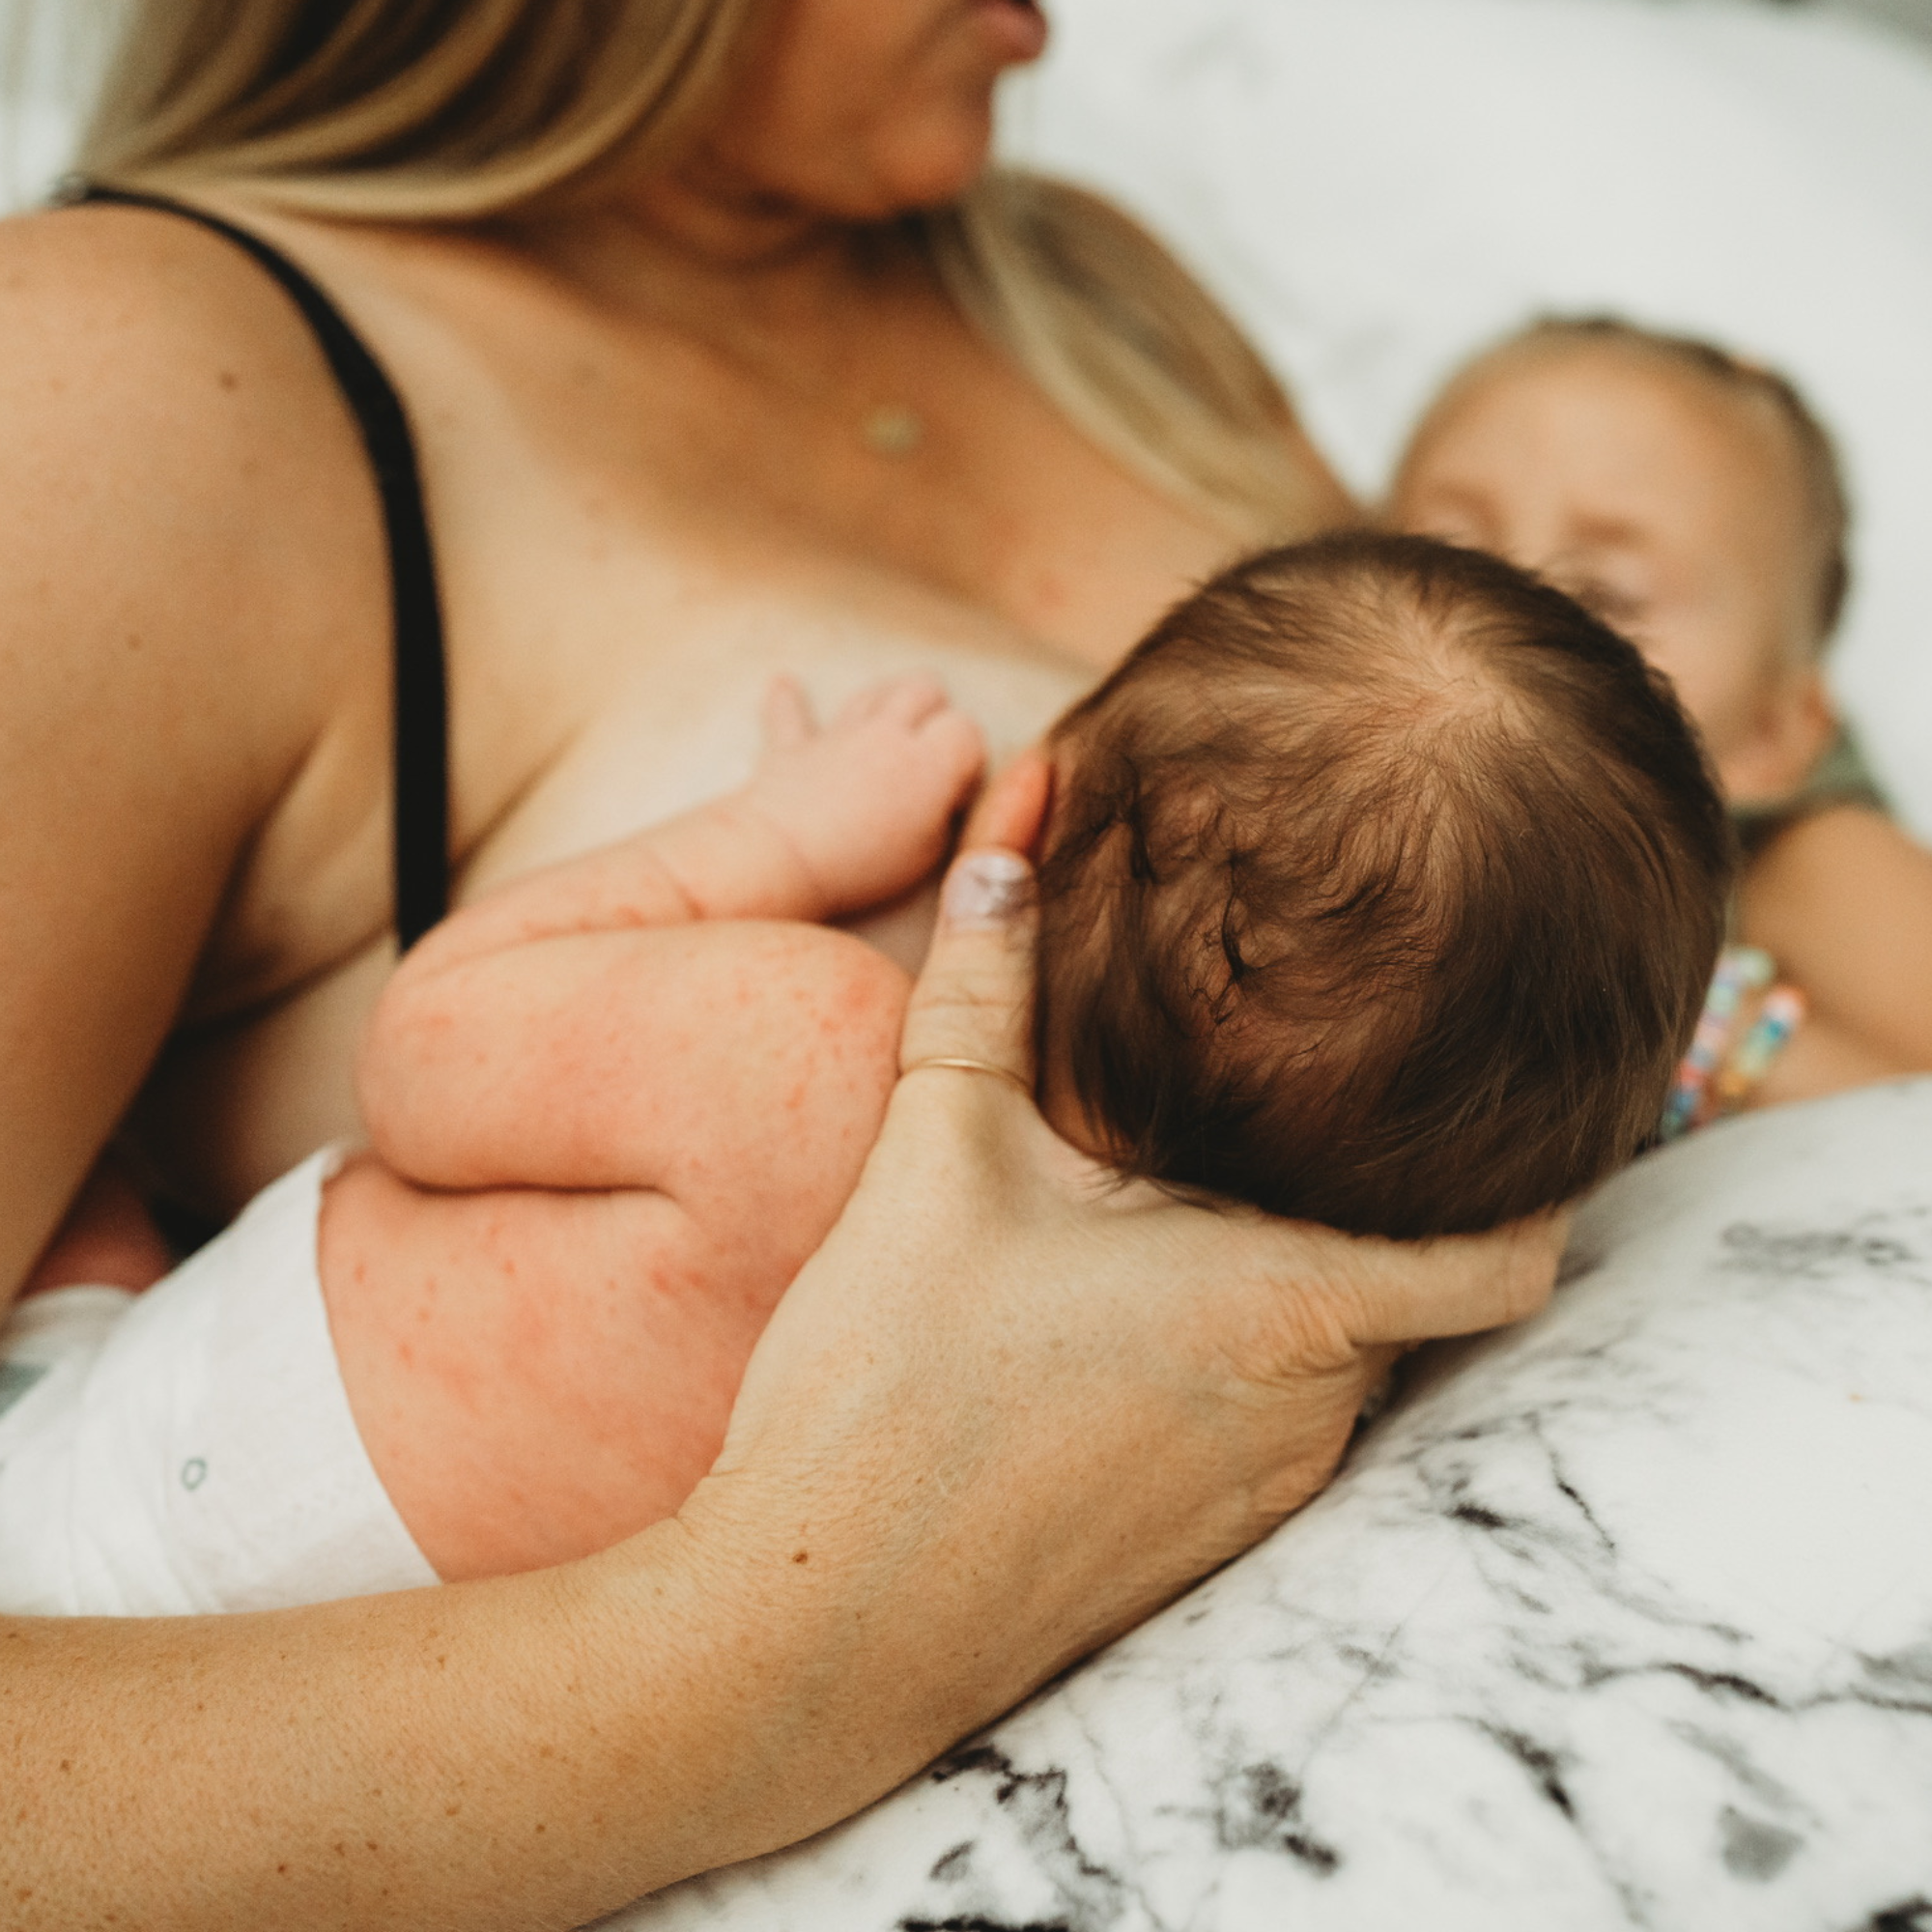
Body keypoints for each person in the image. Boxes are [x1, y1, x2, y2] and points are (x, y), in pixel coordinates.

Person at [0, 1, 1562, 1921]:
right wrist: (769, 1661)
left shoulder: (1084, 283)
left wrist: (1793, 826)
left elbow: (1502, 806)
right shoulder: (124, 386)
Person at [6, 533, 1719, 1610]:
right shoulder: (1177, 1402)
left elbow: (423, 1053)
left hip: (101, 1499)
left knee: (85, 1193)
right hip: (352, 1690)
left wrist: (767, 842)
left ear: (1031, 798)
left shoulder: (810, 1047)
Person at [1390, 317, 1932, 1114]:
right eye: (1442, 557)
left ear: (1766, 736)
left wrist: (1708, 1046)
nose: (1493, 614)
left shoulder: (1804, 862)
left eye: (1606, 597)